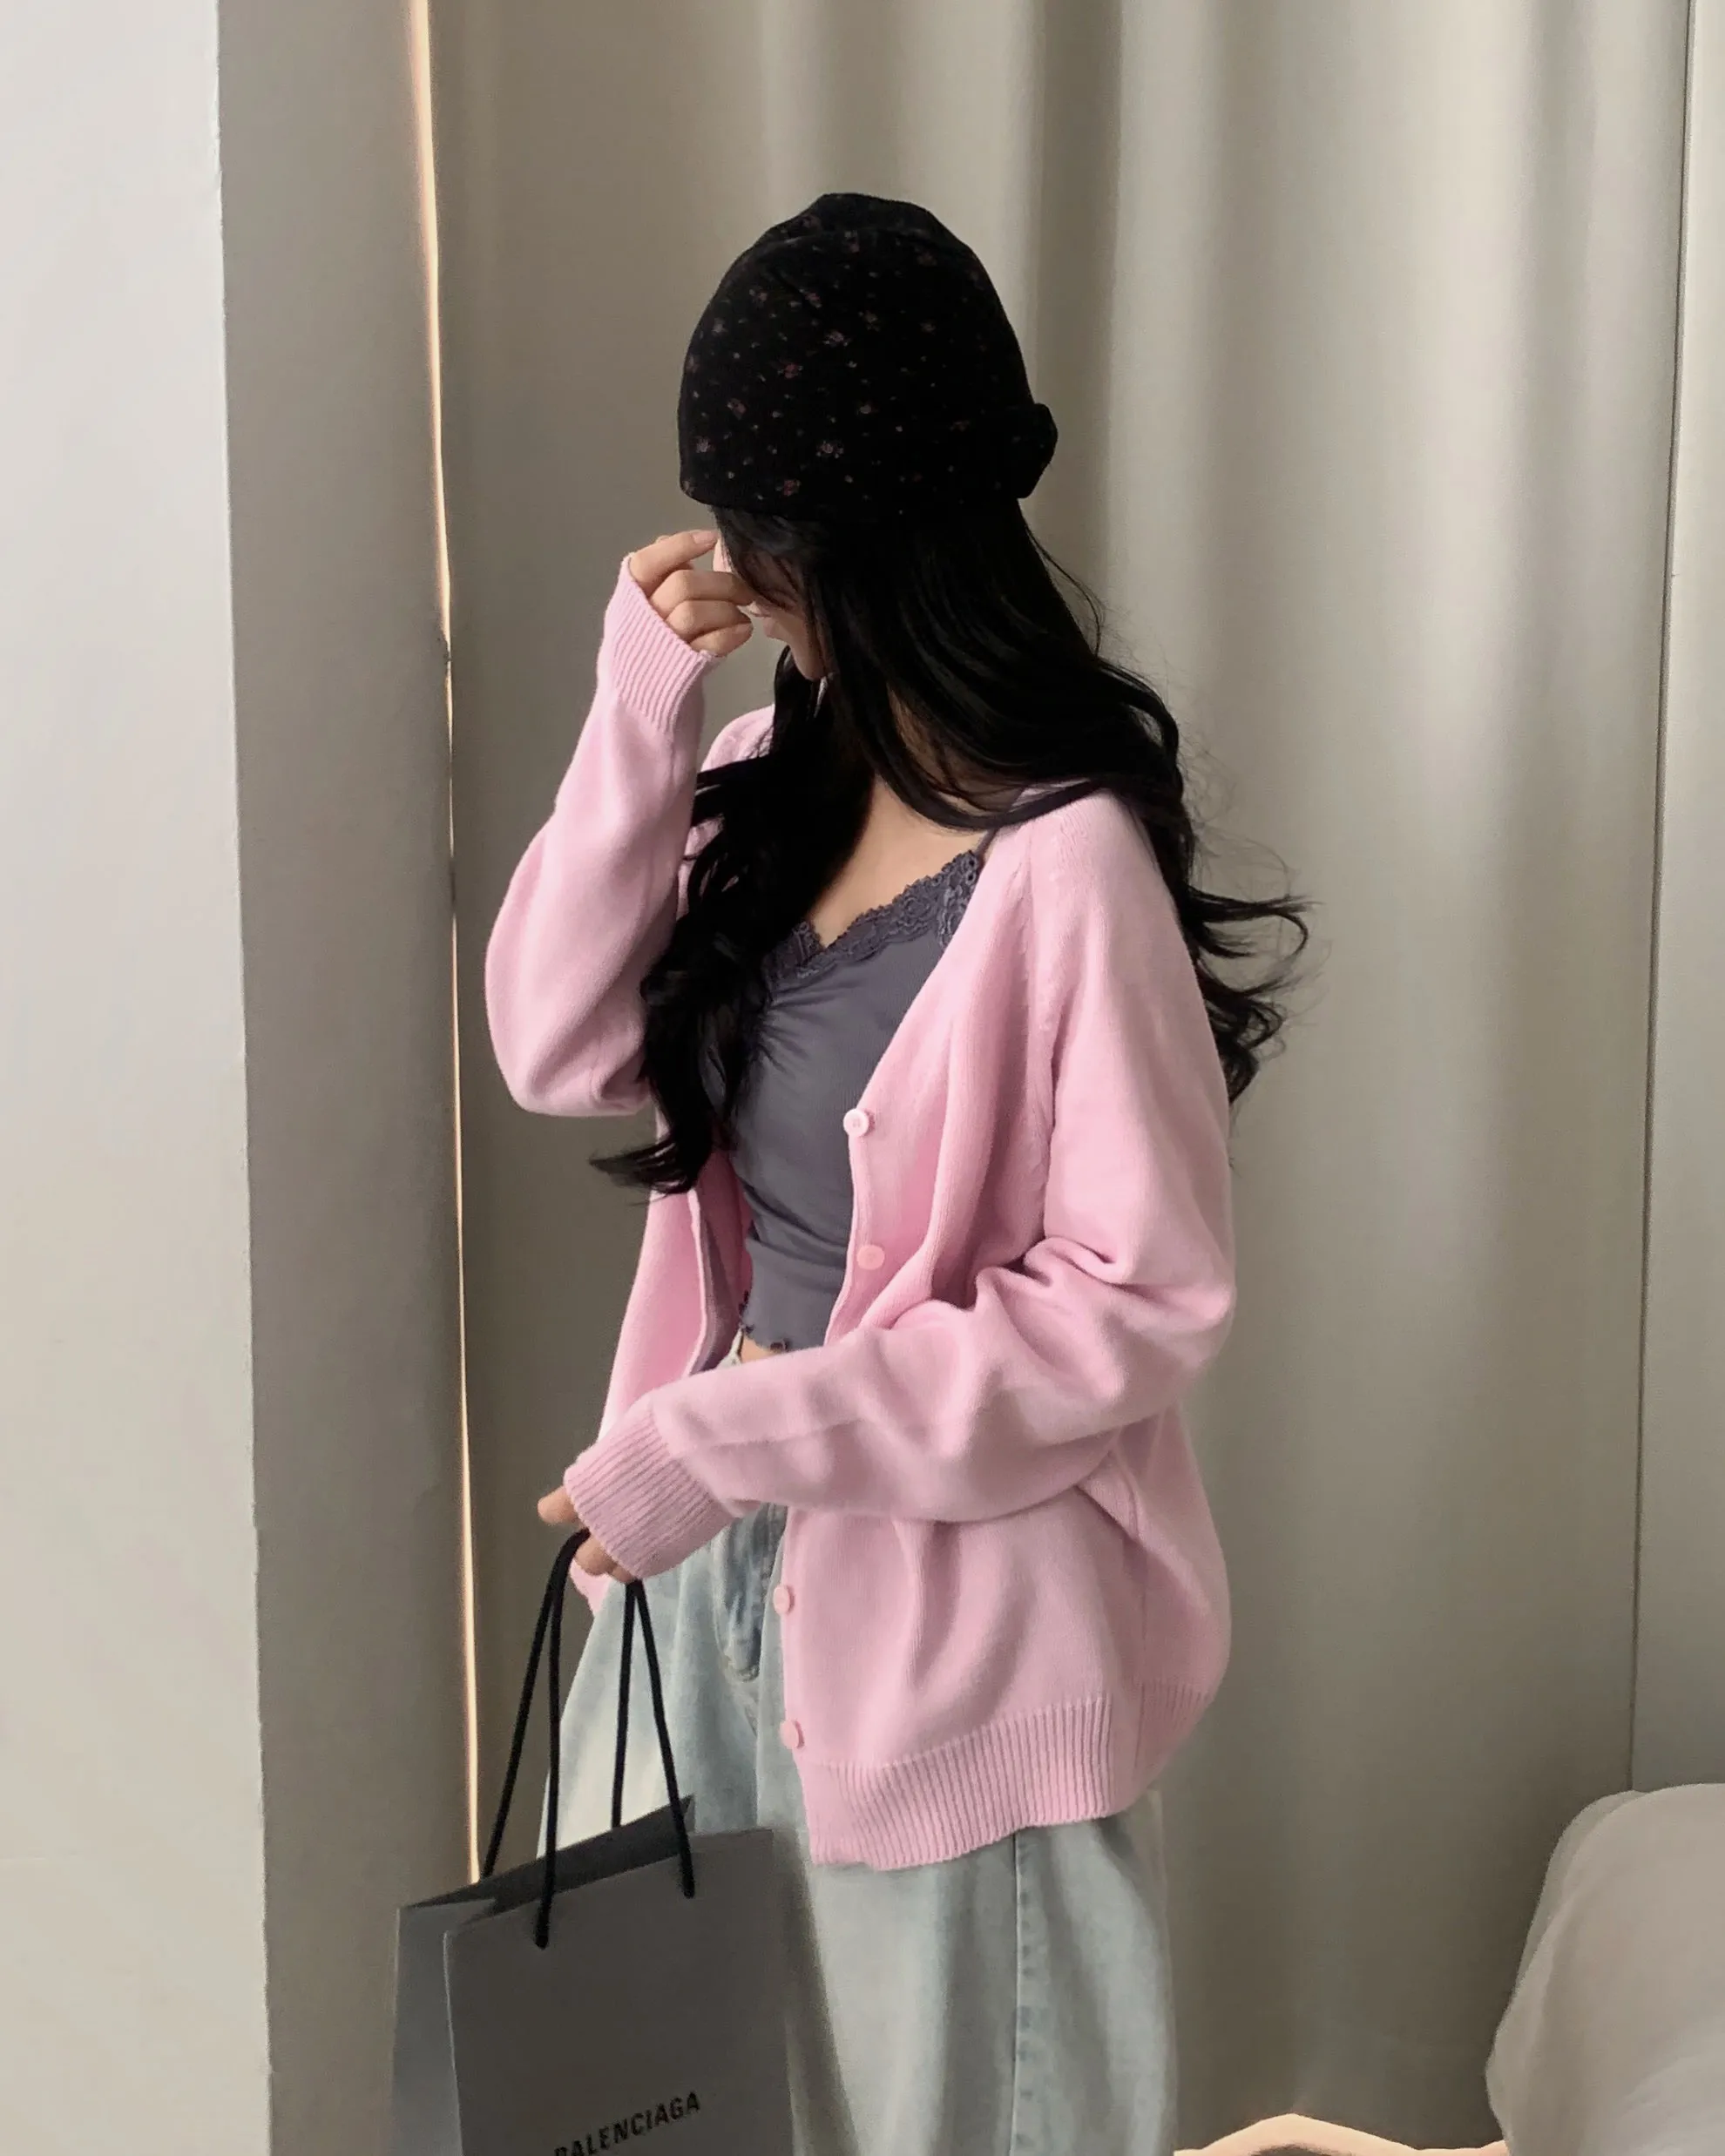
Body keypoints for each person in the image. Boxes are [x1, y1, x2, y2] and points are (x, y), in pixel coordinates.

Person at [484, 193, 1307, 2156]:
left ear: (875, 547)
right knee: (659, 2115)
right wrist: (636, 707)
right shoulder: (764, 782)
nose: (739, 578)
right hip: (700, 1595)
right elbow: (552, 1040)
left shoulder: (1068, 863)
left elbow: (1138, 1301)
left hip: (952, 1644)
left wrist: (729, 1436)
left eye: (766, 543)